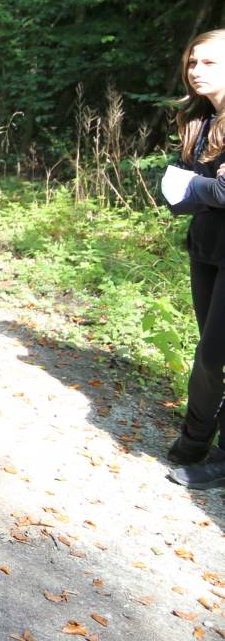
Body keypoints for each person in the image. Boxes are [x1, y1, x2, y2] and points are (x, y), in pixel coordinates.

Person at [164, 29, 225, 490]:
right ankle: (196, 438)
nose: (197, 71)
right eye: (193, 63)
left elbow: (213, 190)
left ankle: (213, 451)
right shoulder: (200, 119)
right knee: (209, 348)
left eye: (210, 63)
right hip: (207, 246)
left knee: (214, 354)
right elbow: (182, 190)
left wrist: (197, 190)